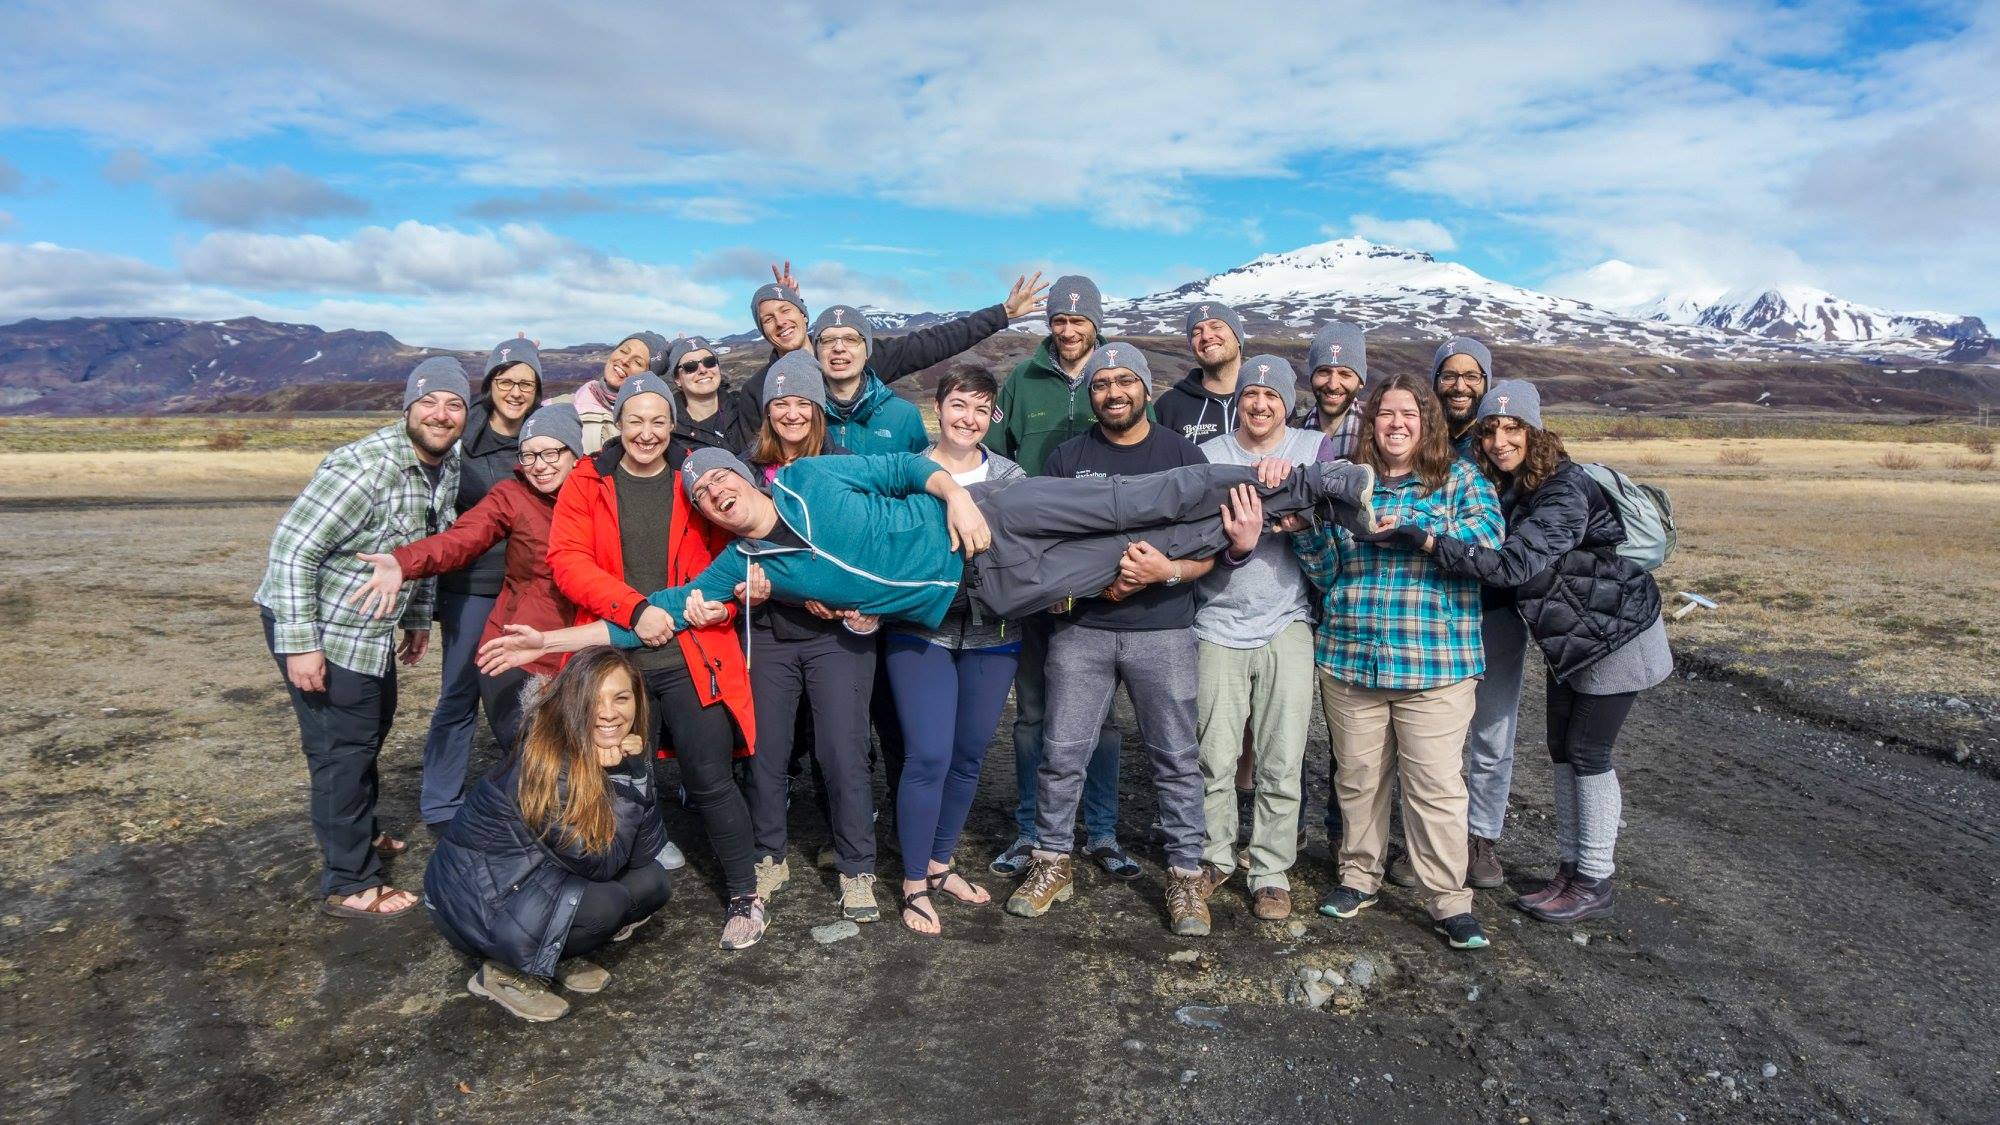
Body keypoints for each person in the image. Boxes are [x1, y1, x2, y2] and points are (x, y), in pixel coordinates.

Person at [1373, 380, 1671, 923]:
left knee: (1588, 753)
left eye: (1513, 428)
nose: (1499, 440)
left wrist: (1427, 540)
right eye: (1490, 430)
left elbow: (1513, 566)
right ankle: (1570, 868)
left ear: (1535, 431)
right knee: (1562, 748)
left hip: (1617, 636)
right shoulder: (1515, 484)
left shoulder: (1565, 489)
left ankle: (1594, 878)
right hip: (1574, 639)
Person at [543, 371, 766, 950]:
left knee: (711, 778)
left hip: (691, 656)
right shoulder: (587, 481)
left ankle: (745, 893)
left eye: (658, 420)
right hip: (617, 661)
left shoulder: (693, 481)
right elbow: (566, 561)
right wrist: (634, 608)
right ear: (617, 423)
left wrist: (723, 603)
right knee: (619, 779)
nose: (646, 432)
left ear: (673, 423)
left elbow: (730, 554)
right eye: (635, 420)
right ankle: (619, 889)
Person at [1008, 343, 1221, 936]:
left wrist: (1165, 572)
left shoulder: (1183, 455)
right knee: (1062, 751)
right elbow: (1041, 542)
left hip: (1164, 629)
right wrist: (1081, 587)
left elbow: (1210, 550)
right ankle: (1052, 862)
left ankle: (1184, 876)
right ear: (1091, 393)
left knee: (1177, 758)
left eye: (1125, 380)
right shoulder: (1067, 457)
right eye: (1102, 384)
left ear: (1146, 388)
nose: (1113, 393)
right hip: (1081, 631)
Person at [1290, 372, 1504, 951]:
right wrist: (1305, 534)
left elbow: (1487, 541)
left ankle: (1448, 899)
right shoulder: (1349, 484)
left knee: (1434, 784)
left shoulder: (1459, 479)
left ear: (1426, 422)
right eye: (1386, 413)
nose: (1397, 423)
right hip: (1351, 658)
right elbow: (1328, 571)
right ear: (1371, 423)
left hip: (1435, 663)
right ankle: (1359, 877)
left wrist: (1417, 531)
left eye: (1409, 413)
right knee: (1358, 779)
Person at [254, 356, 468, 919]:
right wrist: (301, 644)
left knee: (371, 726)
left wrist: (419, 618)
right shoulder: (364, 467)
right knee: (339, 750)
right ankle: (349, 881)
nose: (441, 414)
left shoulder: (446, 465)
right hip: (320, 626)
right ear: (408, 407)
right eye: (429, 401)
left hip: (367, 632)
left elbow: (422, 544)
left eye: (454, 404)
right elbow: (292, 550)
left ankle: (361, 830)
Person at [425, 647, 674, 1022]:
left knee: (652, 882)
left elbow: (644, 853)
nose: (609, 713)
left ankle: (551, 950)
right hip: (474, 905)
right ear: (573, 704)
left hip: (534, 880)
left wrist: (637, 770)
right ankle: (503, 972)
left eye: (621, 698)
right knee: (604, 906)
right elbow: (601, 864)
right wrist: (623, 779)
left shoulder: (609, 748)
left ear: (637, 702)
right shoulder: (547, 764)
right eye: (594, 700)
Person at [348, 406, 598, 763]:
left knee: (592, 758)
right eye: (528, 455)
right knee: (535, 760)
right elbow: (461, 539)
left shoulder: (602, 493)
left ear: (575, 453)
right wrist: (403, 562)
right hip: (520, 650)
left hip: (589, 646)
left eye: (550, 453)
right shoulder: (512, 495)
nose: (539, 465)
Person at [737, 351, 884, 923]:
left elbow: (871, 546)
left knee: (842, 751)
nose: (792, 413)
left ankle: (856, 866)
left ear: (819, 409)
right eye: (781, 403)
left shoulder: (845, 465)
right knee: (766, 751)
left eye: (803, 402)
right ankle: (768, 853)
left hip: (838, 634)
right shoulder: (751, 472)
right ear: (768, 412)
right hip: (771, 633)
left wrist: (858, 600)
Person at [989, 274, 1125, 879]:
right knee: (1034, 711)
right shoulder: (1022, 379)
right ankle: (1030, 828)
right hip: (1035, 566)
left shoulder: (1117, 377)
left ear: (1096, 322)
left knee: (1102, 714)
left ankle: (1101, 829)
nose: (1068, 331)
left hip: (1100, 566)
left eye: (1079, 320)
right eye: (1059, 320)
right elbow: (996, 460)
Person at [1192, 357, 1336, 922]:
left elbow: (1334, 519)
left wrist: (1296, 497)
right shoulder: (1209, 457)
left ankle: (1271, 869)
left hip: (1287, 622)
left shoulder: (1312, 447)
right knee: (1214, 754)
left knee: (1282, 754)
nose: (1259, 404)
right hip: (1216, 623)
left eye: (1271, 396)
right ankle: (1213, 855)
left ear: (1286, 401)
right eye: (1250, 393)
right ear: (1238, 400)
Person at [882, 369, 1024, 933]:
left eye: (981, 407)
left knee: (968, 755)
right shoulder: (909, 471)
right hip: (921, 632)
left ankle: (942, 865)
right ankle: (914, 880)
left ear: (993, 416)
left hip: (996, 635)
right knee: (929, 755)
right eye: (958, 404)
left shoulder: (1012, 477)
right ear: (936, 408)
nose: (968, 417)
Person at [411, 335, 543, 833]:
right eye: (506, 381)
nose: (515, 391)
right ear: (490, 384)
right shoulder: (461, 441)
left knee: (526, 692)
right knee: (461, 692)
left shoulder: (540, 439)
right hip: (472, 586)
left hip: (528, 586)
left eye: (526, 383)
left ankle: (531, 792)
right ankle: (441, 805)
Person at [737, 271, 1047, 408]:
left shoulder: (861, 356)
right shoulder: (760, 388)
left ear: (805, 314)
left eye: (786, 311)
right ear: (762, 329)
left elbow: (936, 341)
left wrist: (1002, 313)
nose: (780, 322)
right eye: (768, 318)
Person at [548, 331, 667, 454]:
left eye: (638, 362)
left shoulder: (653, 426)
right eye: (623, 351)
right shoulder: (558, 406)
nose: (625, 360)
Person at [1155, 301, 1249, 445]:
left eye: (1216, 326)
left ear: (1237, 338)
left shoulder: (1268, 401)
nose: (1206, 336)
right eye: (1196, 333)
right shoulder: (1168, 406)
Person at [665, 336, 757, 455]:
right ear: (677, 379)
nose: (702, 370)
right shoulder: (671, 431)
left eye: (709, 362)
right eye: (690, 367)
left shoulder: (746, 408)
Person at [1298, 321, 1367, 458]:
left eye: (1345, 374)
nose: (1333, 385)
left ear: (1361, 381)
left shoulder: (1378, 440)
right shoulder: (1289, 434)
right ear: (1311, 376)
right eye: (1324, 372)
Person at [1433, 336, 1492, 459]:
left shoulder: (1498, 446)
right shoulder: (1416, 441)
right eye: (1449, 376)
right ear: (1435, 383)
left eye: (1471, 376)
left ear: (1486, 384)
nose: (1460, 387)